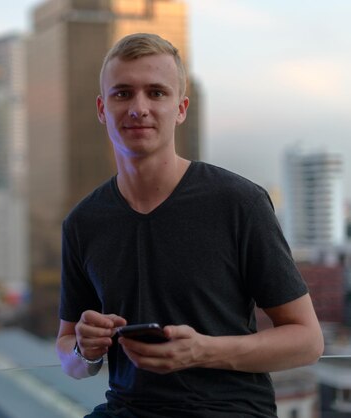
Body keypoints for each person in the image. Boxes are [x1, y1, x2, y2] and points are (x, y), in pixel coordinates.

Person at [56, 32, 324, 418]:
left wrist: (202, 350)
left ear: (181, 108)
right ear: (102, 108)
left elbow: (308, 341)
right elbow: (68, 353)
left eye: (156, 93)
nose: (139, 107)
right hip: (127, 410)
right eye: (122, 94)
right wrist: (84, 349)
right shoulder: (83, 222)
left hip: (229, 411)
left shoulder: (238, 202)